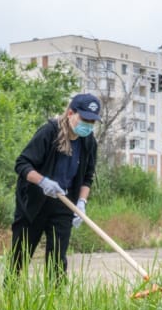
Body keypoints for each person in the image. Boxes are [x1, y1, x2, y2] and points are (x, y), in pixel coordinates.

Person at [9, 93, 100, 282]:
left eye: (93, 121)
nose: (89, 125)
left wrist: (81, 203)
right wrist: (43, 181)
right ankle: (10, 295)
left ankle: (56, 302)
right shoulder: (49, 132)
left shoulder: (88, 142)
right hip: (34, 203)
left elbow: (87, 177)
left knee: (57, 261)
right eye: (85, 119)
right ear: (70, 113)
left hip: (64, 204)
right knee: (20, 256)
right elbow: (22, 164)